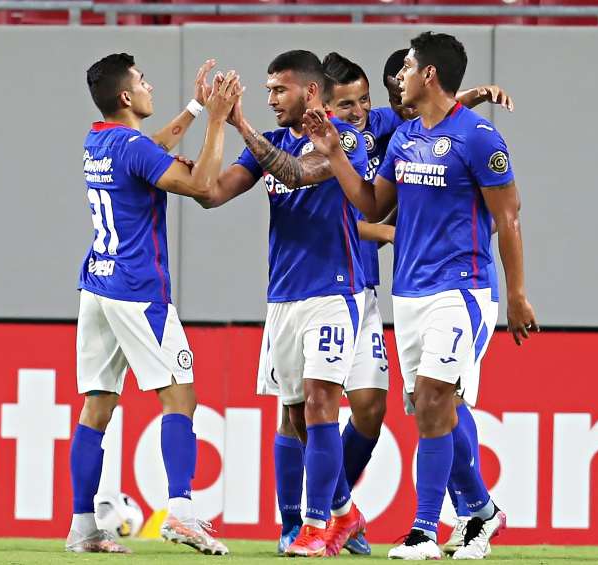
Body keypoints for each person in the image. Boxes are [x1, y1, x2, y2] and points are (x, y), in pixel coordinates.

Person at [304, 31, 537, 560]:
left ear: (428, 74)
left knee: (434, 398)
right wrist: (335, 155)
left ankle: (425, 529)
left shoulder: (479, 138)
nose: (399, 77)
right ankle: (480, 512)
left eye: (406, 67)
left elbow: (509, 216)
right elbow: (369, 202)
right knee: (432, 410)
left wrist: (518, 296)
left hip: (462, 290)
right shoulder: (406, 139)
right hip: (407, 295)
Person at [191, 50, 370, 558]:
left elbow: (295, 172)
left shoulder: (343, 140)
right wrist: (214, 123)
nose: (270, 99)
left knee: (320, 405)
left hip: (334, 292)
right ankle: (342, 513)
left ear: (311, 92)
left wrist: (239, 119)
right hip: (283, 297)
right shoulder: (265, 143)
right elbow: (211, 194)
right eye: (267, 90)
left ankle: (315, 528)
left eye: (279, 90)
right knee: (292, 415)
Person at [67, 53, 237, 555]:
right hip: (137, 289)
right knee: (179, 397)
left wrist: (194, 107)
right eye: (142, 81)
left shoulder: (98, 140)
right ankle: (181, 513)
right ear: (126, 97)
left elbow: (150, 148)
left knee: (96, 406)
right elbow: (201, 185)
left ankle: (83, 529)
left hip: (96, 284)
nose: (148, 85)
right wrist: (218, 123)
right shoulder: (129, 147)